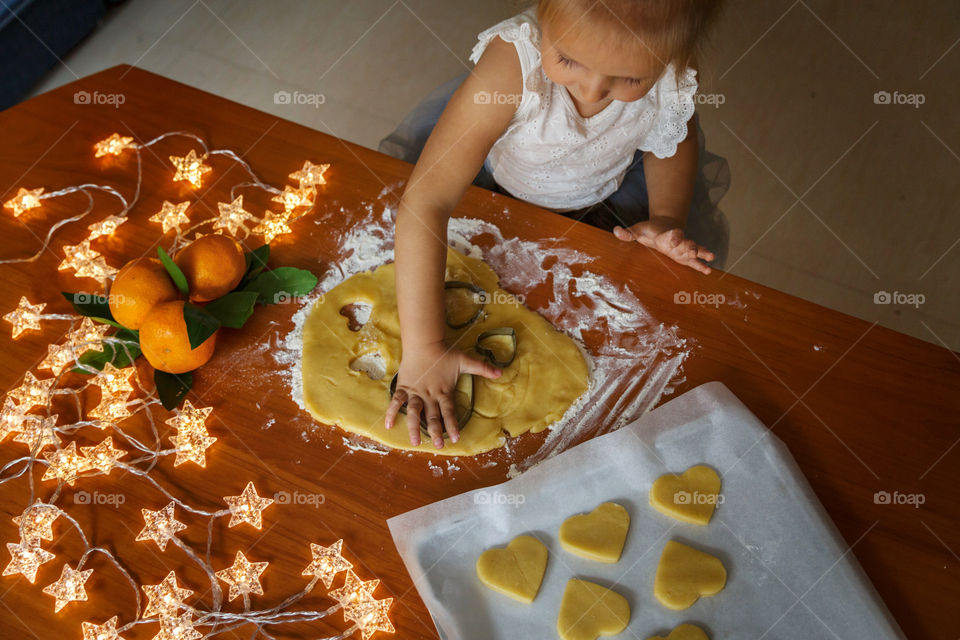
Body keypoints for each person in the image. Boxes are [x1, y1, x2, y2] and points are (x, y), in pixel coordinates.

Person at [380, 0, 729, 449]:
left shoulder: (667, 65)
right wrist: (425, 348)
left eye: (629, 79)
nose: (592, 90)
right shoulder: (512, 67)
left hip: (607, 203)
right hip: (498, 193)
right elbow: (427, 201)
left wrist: (664, 217)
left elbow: (670, 139)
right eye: (568, 60)